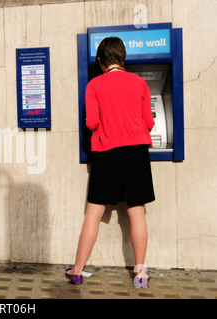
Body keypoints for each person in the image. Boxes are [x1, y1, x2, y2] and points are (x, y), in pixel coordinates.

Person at [66, 37, 155, 287]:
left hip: (106, 153)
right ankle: (140, 274)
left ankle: (77, 270)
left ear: (100, 60)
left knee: (94, 212)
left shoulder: (94, 85)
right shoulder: (140, 83)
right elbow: (148, 122)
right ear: (123, 58)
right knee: (136, 212)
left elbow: (92, 123)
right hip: (135, 152)